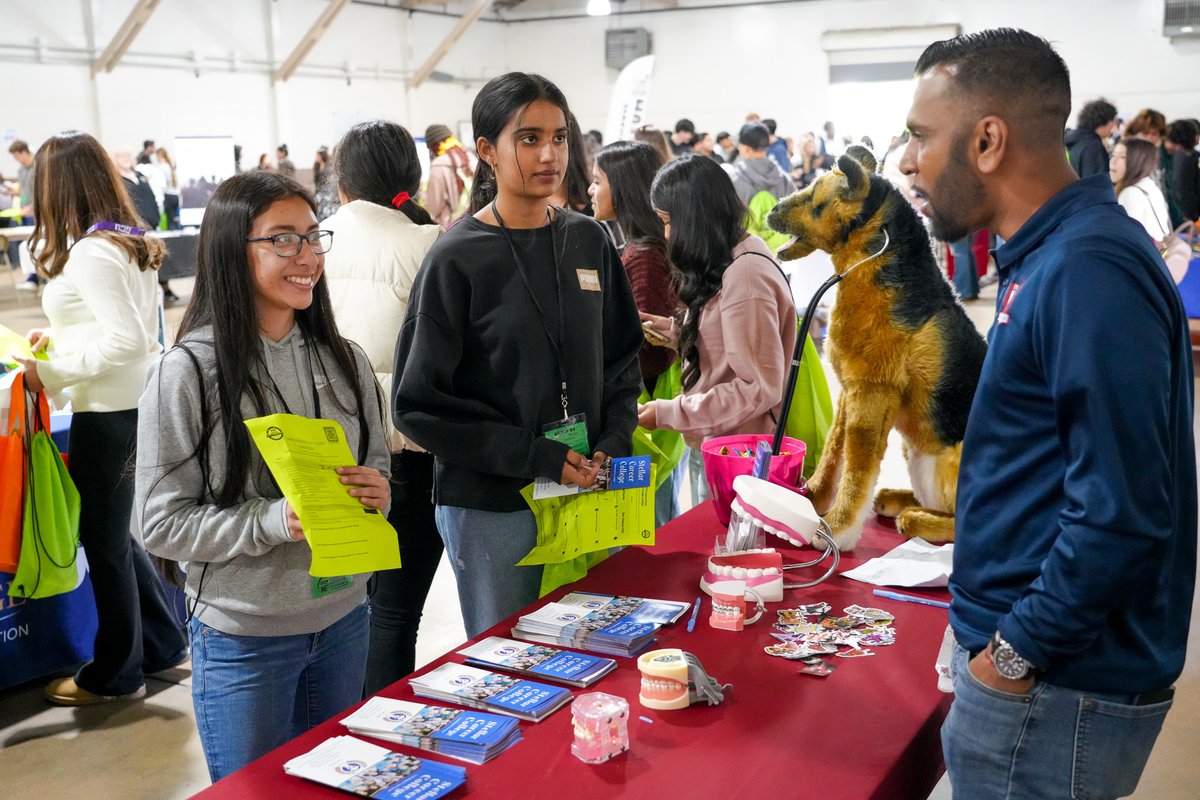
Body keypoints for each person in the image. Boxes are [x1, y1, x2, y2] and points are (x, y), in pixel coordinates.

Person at [900, 28, 1195, 800]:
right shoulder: (1051, 258)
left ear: (988, 140)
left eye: (922, 137)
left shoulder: (1086, 269)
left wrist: (1012, 655)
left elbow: (1122, 513)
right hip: (1042, 678)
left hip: (1054, 692)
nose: (909, 163)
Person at [137, 170, 390, 781]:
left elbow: (376, 464)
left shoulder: (346, 360)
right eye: (282, 240)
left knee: (337, 786)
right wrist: (274, 521)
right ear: (232, 249)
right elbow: (157, 523)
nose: (306, 257)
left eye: (312, 237)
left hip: (344, 621)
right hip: (244, 640)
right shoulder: (189, 372)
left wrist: (378, 491)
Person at [393, 72, 643, 638]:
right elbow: (417, 406)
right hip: (494, 505)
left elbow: (622, 361)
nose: (549, 154)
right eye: (528, 138)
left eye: (559, 137)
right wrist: (536, 455)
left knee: (597, 647)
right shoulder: (455, 258)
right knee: (512, 663)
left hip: (591, 486)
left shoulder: (589, 241)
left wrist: (612, 443)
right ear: (486, 151)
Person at [13, 130, 187, 707]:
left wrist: (50, 372)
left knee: (105, 542)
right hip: (126, 404)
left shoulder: (92, 250)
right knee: (116, 537)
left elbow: (127, 340)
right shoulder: (120, 240)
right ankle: (162, 644)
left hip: (110, 411)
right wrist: (58, 339)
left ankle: (116, 673)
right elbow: (120, 326)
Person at [321, 120, 443, 692]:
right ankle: (383, 740)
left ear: (341, 179)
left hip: (324, 451)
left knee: (342, 612)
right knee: (395, 612)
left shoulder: (311, 238)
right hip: (408, 451)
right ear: (410, 177)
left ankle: (340, 737)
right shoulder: (427, 243)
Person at [636, 154, 797, 448]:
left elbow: (757, 387)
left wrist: (670, 412)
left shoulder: (745, 274)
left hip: (742, 452)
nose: (668, 234)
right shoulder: (736, 251)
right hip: (723, 440)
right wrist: (677, 331)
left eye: (669, 221)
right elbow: (732, 342)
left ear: (695, 219)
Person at [1111, 137, 1171, 242]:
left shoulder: (1130, 193)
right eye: (1113, 155)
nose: (1113, 161)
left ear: (1137, 162)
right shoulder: (1148, 185)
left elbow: (1129, 239)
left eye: (1122, 157)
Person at [424, 123, 473, 229]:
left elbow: (433, 208)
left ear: (434, 146)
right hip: (475, 223)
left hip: (452, 229)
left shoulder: (438, 165)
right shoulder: (471, 157)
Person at [1064, 97, 1118, 178]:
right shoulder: (1093, 147)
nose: (1114, 125)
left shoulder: (1074, 140)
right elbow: (1096, 183)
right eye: (1113, 120)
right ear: (1105, 120)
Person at [155, 147, 180, 230]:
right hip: (175, 196)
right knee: (173, 220)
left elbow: (162, 184)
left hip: (168, 196)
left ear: (159, 155)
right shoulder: (170, 165)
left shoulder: (162, 167)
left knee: (170, 222)